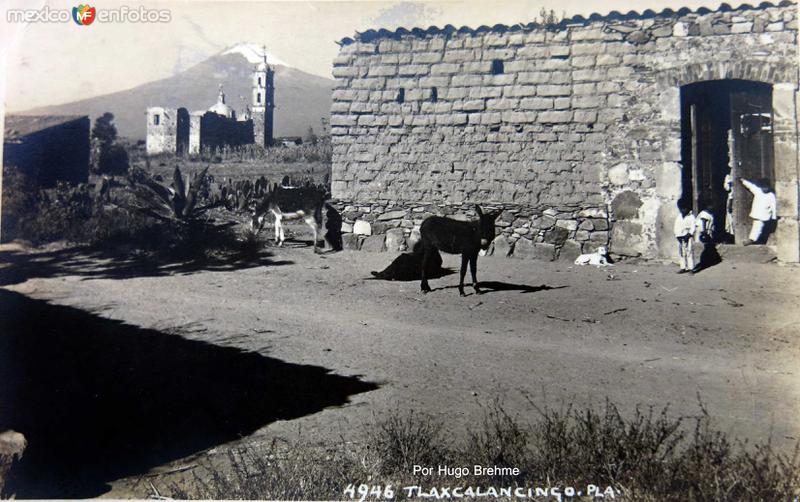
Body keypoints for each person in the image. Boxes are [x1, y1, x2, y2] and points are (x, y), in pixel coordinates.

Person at [739, 177, 777, 245]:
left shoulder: (771, 195)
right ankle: (754, 239)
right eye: (763, 187)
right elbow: (751, 186)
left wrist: (774, 217)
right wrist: (743, 181)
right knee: (757, 227)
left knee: (758, 227)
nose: (764, 189)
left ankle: (752, 239)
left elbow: (773, 206)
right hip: (757, 213)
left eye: (766, 187)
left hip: (764, 214)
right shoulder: (758, 191)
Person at [673, 200, 696, 274]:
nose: (683, 210)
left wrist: (689, 234)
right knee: (682, 253)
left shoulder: (691, 217)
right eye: (681, 208)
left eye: (685, 208)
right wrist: (678, 236)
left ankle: (691, 268)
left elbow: (693, 227)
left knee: (689, 252)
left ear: (688, 208)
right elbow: (676, 227)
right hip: (680, 237)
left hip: (688, 237)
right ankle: (683, 267)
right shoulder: (679, 217)